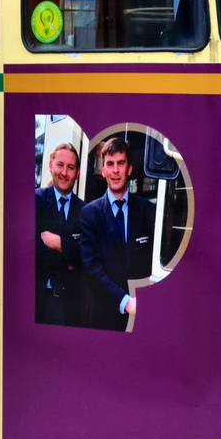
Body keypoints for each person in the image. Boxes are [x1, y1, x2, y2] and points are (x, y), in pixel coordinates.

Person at [78, 136, 159, 331]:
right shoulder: (90, 214)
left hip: (144, 316)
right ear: (103, 170)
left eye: (121, 163)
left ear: (129, 169)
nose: (115, 170)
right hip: (105, 317)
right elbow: (91, 268)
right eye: (110, 164)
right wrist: (124, 301)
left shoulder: (148, 210)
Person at [34, 141, 83, 326]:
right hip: (39, 301)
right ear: (51, 165)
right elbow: (34, 251)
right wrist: (70, 261)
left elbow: (89, 255)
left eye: (70, 167)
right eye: (60, 165)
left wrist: (58, 243)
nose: (64, 173)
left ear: (77, 173)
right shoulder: (35, 200)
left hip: (71, 305)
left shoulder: (86, 211)